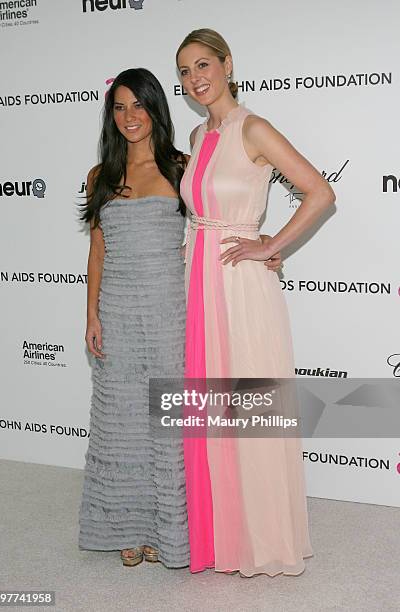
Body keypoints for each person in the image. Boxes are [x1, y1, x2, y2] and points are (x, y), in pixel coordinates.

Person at [176, 28, 336, 577]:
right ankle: (223, 536)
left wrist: (271, 244)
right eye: (185, 71)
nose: (196, 78)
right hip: (197, 280)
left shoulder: (255, 127)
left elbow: (320, 191)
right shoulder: (198, 136)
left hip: (240, 286)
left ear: (226, 64)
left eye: (203, 65)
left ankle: (265, 539)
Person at [78, 68, 191, 569]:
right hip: (117, 312)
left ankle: (163, 531)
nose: (130, 117)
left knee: (163, 422)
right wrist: (91, 317)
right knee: (119, 421)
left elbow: (212, 231)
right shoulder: (100, 177)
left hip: (168, 313)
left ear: (155, 109)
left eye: (139, 106)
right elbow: (97, 254)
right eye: (120, 107)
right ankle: (125, 525)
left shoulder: (182, 169)